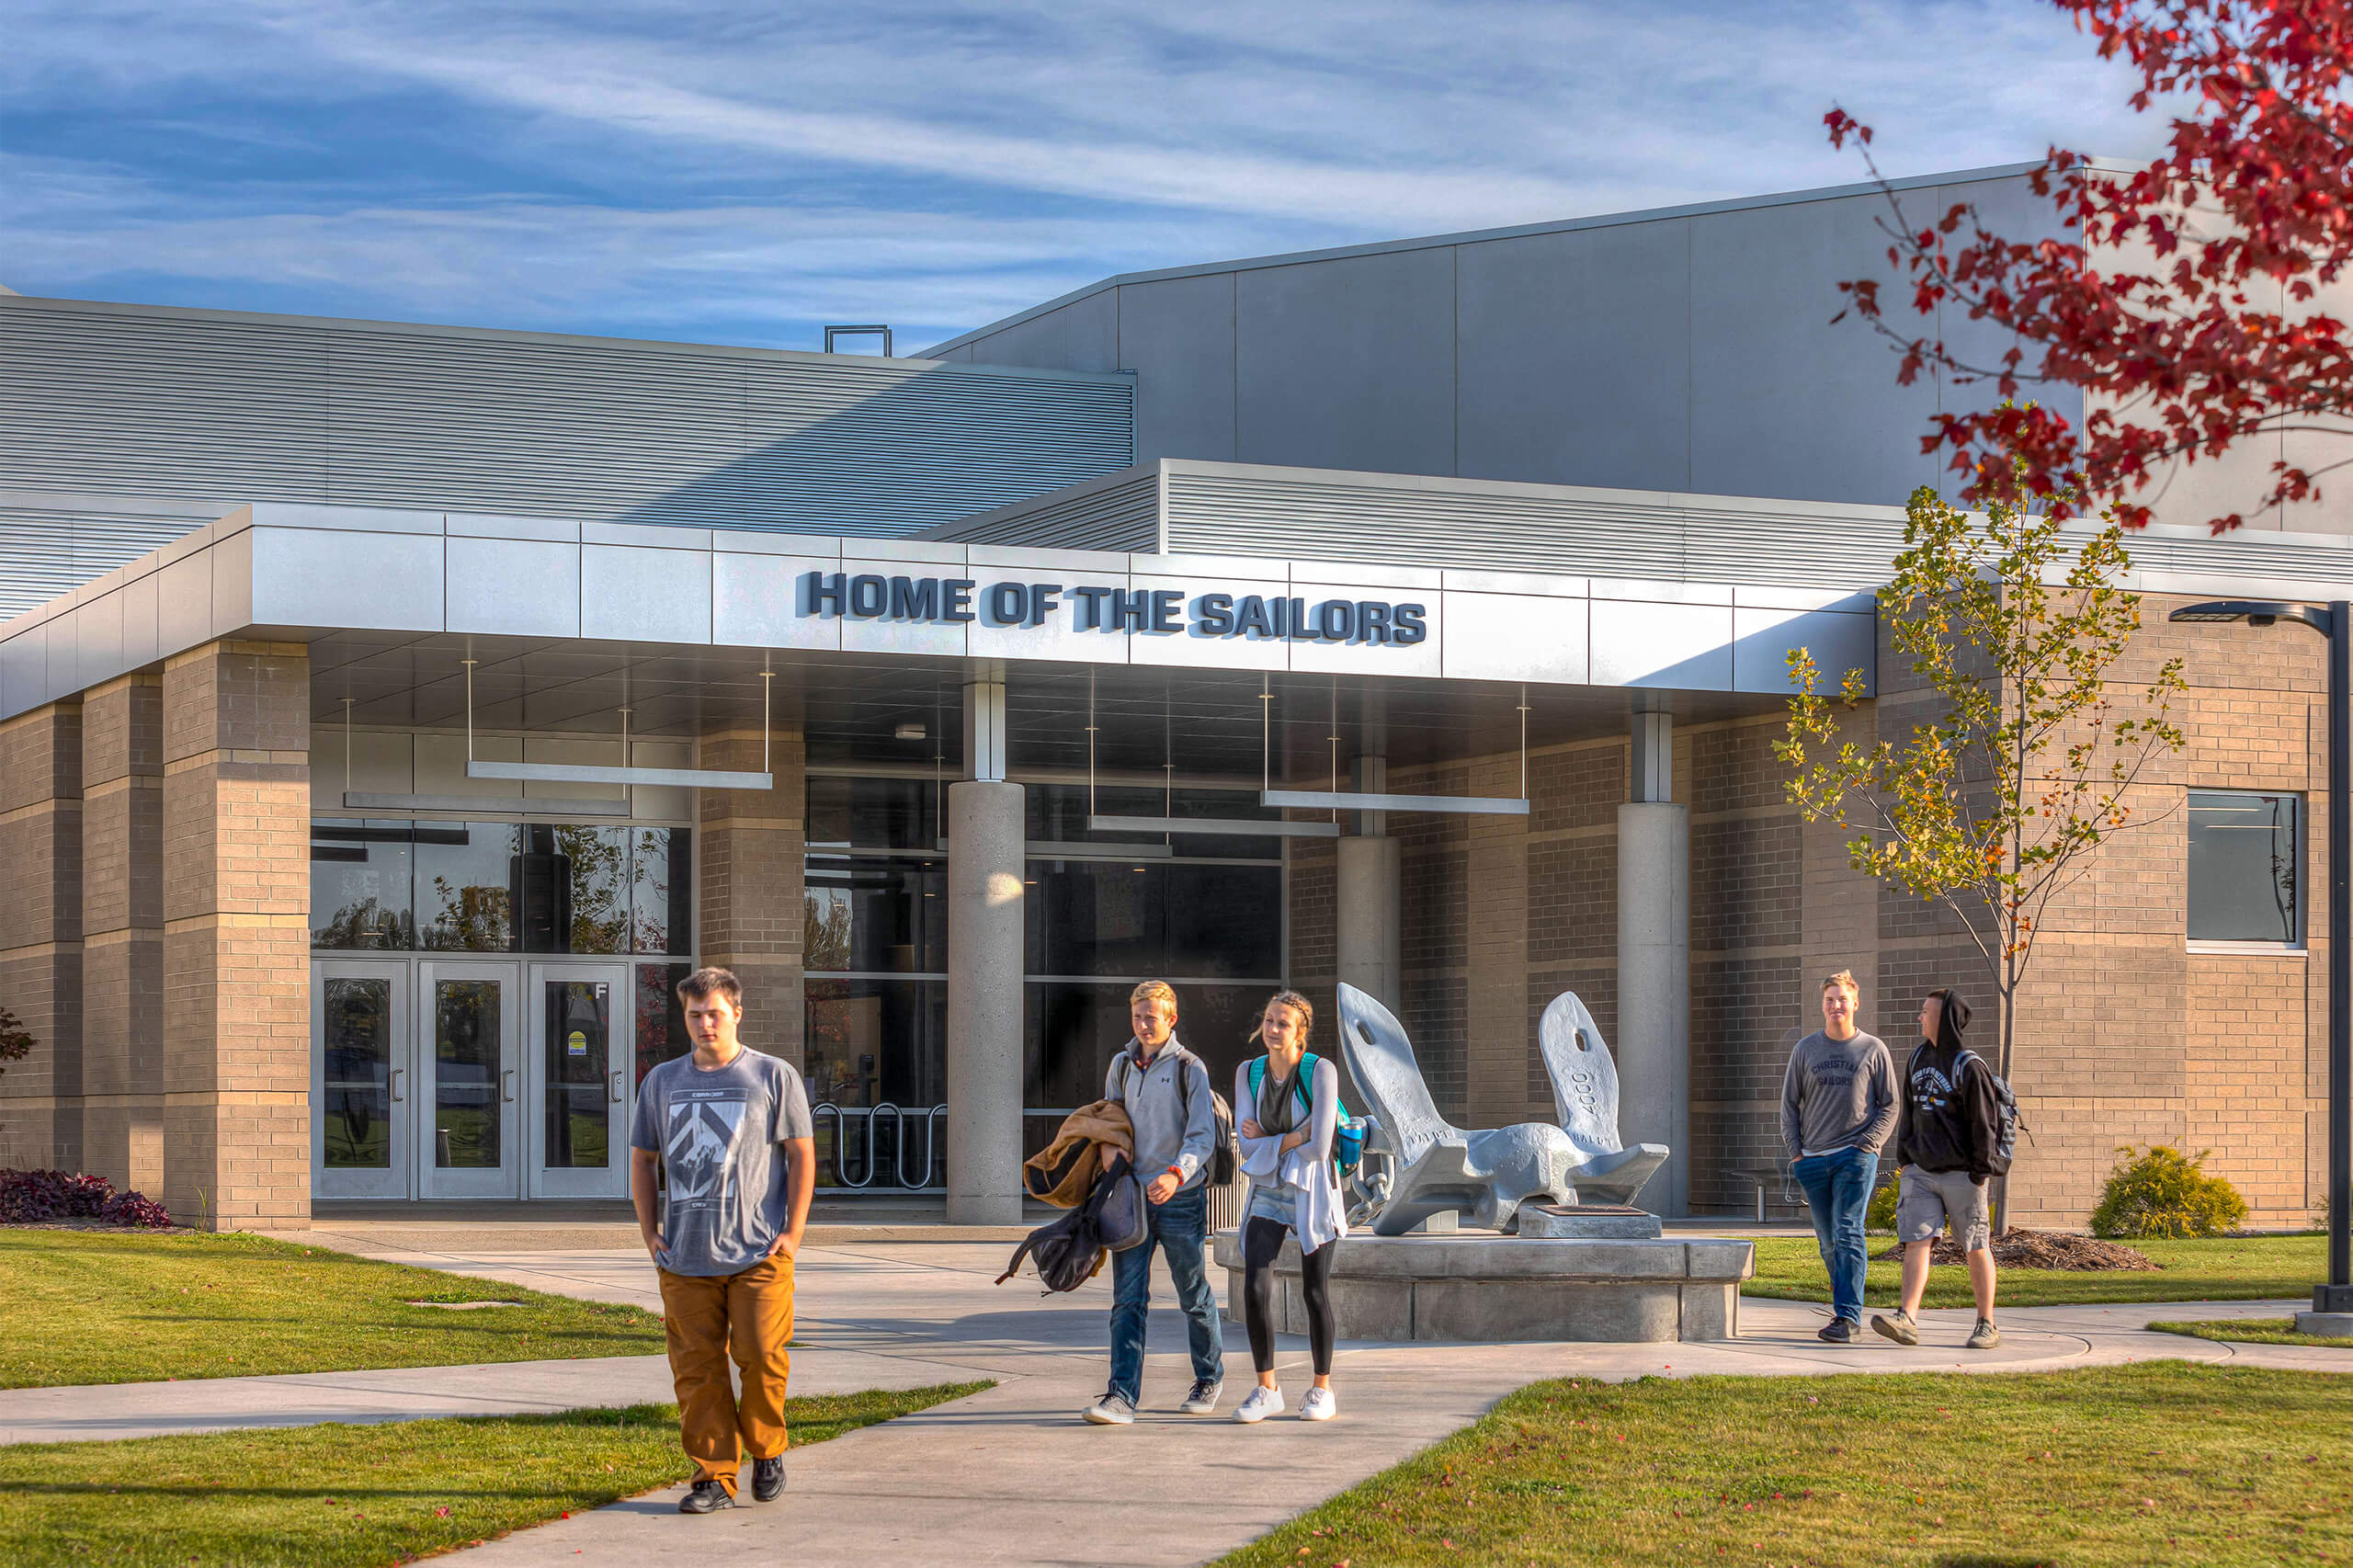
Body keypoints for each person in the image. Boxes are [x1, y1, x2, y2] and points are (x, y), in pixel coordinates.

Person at [629, 968, 815, 1514]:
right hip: (685, 1255)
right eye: (694, 1014)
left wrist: (793, 1234)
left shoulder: (772, 1076)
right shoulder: (661, 1081)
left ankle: (766, 1450)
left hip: (759, 1252)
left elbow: (802, 1154)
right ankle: (713, 1475)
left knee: (761, 1355)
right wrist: (649, 1231)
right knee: (697, 1369)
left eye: (714, 1012)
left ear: (736, 1012)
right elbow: (643, 1159)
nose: (705, 1023)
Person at [1083, 979, 1224, 1425]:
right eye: (1138, 1016)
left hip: (1180, 1197)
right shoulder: (1121, 1065)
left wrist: (1175, 1172)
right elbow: (1109, 1118)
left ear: (1171, 1019)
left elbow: (1202, 1135)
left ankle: (1208, 1377)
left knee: (1193, 1294)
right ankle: (1121, 1396)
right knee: (1128, 1300)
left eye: (1152, 1017)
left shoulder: (1190, 1068)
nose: (1144, 1024)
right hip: (1131, 1200)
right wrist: (1107, 1148)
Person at [1232, 990, 1345, 1424]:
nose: (1273, 1029)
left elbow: (1320, 1147)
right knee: (1254, 1286)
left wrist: (1272, 1139)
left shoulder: (1320, 1071)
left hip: (1314, 1190)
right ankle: (1268, 1388)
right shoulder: (1249, 1071)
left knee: (1314, 1291)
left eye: (1283, 1023)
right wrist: (1293, 1136)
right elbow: (1245, 1141)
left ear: (1301, 1032)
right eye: (1269, 1021)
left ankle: (1321, 1389)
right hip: (1268, 1189)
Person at [1872, 988, 2004, 1349]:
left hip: (1963, 1174)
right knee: (1917, 1241)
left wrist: (1980, 1171)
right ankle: (1907, 1318)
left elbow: (1985, 1123)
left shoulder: (1969, 1065)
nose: (1920, 1017)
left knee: (1975, 1245)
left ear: (1943, 1018)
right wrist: (1906, 1159)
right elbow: (1910, 1112)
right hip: (1920, 1172)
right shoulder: (1917, 1058)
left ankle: (1986, 1323)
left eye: (1926, 1012)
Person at [1779, 970, 1899, 1344]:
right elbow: (1788, 1105)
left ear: (1855, 1003)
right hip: (1813, 1160)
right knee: (1828, 1242)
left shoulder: (1872, 1049)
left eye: (1842, 999)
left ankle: (1848, 1318)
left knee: (1848, 1231)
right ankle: (1845, 1301)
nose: (1835, 1006)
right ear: (1823, 1005)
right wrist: (1796, 1153)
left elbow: (1890, 1105)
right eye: (1830, 1000)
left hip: (1854, 1156)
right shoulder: (1805, 1049)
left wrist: (1868, 1144)